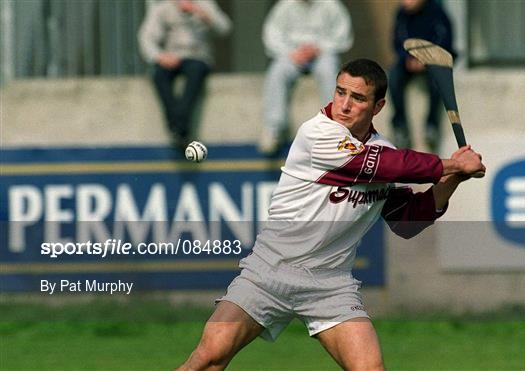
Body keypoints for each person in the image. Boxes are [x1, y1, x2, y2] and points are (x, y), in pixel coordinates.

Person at [177, 59, 485, 370]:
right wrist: (454, 163)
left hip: (330, 284)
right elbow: (381, 166)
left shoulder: (383, 150)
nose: (345, 105)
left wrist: (456, 178)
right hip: (270, 272)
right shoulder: (317, 134)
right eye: (340, 93)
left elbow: (407, 220)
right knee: (208, 360)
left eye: (358, 98)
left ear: (378, 106)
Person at [259, 0, 353, 155]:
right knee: (277, 71)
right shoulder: (284, 6)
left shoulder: (331, 5)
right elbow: (272, 36)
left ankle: (334, 128)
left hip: (323, 54)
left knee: (329, 72)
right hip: (292, 55)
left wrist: (318, 48)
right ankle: (273, 128)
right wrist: (293, 52)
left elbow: (342, 34)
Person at [138, 0, 231, 148]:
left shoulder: (205, 4)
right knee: (159, 76)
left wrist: (199, 12)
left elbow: (224, 28)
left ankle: (178, 127)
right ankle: (179, 126)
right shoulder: (163, 8)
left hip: (198, 57)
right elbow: (146, 37)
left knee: (195, 73)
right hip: (171, 56)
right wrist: (159, 56)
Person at [389, 0, 455, 152]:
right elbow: (397, 41)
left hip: (433, 59)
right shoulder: (401, 14)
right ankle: (400, 126)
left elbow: (444, 41)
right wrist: (408, 57)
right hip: (409, 60)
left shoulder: (437, 12)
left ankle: (432, 126)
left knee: (437, 80)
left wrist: (425, 57)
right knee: (393, 77)